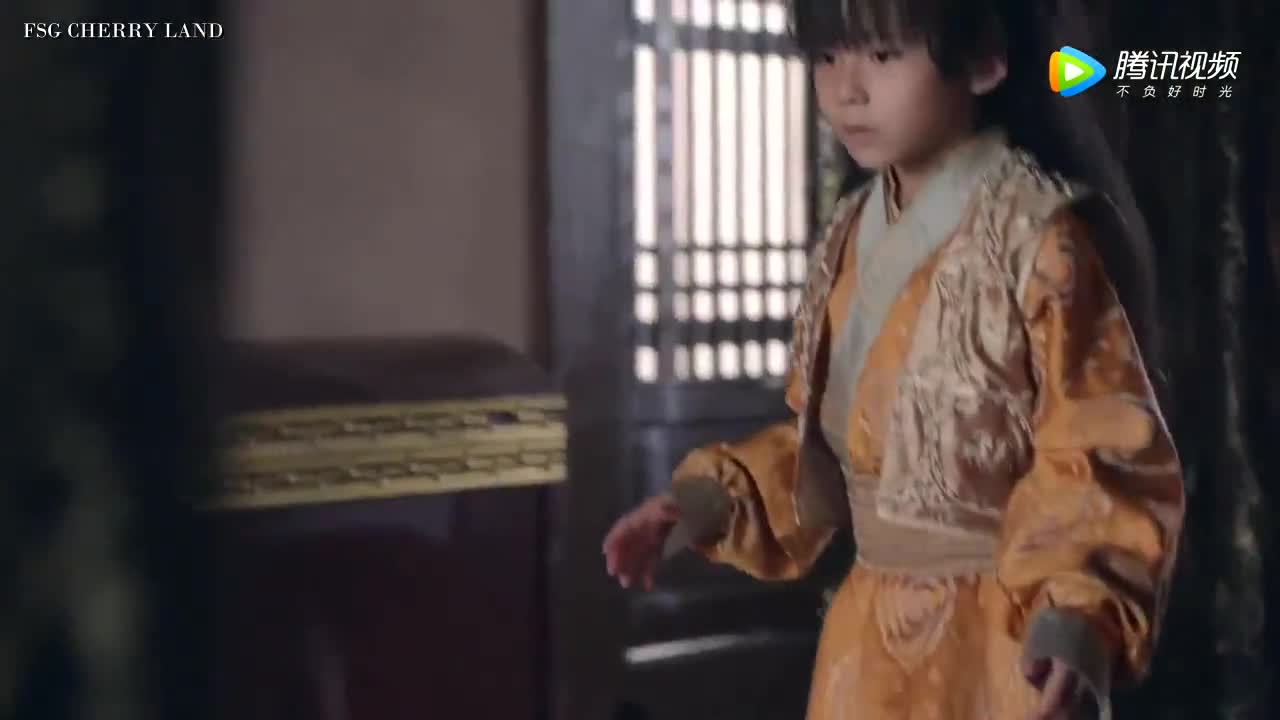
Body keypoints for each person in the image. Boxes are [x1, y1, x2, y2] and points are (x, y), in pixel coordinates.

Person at [602, 1, 1185, 718]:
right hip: (865, 644)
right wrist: (702, 505)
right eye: (828, 57)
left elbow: (1099, 448)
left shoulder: (1039, 239)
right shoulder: (850, 232)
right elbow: (832, 448)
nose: (847, 89)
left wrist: (1077, 617)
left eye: (883, 56)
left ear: (984, 60)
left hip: (1000, 645)